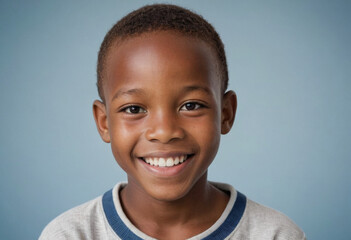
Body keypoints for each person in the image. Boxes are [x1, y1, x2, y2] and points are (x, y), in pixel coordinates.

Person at [39, 4, 305, 240]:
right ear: (104, 122)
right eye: (134, 109)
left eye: (191, 106)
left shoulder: (275, 234)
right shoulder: (71, 234)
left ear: (225, 113)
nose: (164, 132)